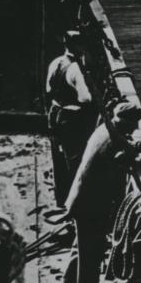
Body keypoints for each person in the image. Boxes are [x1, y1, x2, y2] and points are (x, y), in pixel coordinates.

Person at [53, 100, 141, 283]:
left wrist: (133, 144)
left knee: (81, 250)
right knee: (91, 256)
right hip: (91, 206)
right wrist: (138, 147)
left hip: (80, 200)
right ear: (125, 123)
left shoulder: (103, 129)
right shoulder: (114, 141)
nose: (135, 129)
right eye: (133, 125)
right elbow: (125, 154)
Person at [45, 30, 95, 207]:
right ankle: (76, 203)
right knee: (75, 160)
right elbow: (85, 99)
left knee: (59, 157)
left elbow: (49, 89)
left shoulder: (55, 62)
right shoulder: (75, 69)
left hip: (55, 112)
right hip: (71, 119)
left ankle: (60, 199)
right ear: (79, 47)